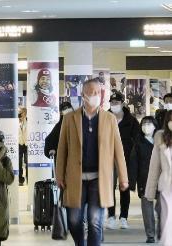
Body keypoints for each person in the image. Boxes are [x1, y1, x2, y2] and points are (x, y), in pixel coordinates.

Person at [56, 78, 129, 246]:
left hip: (99, 178)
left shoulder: (109, 119)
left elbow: (118, 150)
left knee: (95, 221)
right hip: (75, 178)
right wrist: (59, 175)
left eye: (97, 92)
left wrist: (123, 177)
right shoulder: (70, 119)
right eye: (91, 92)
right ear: (83, 95)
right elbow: (62, 150)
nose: (95, 95)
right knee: (74, 220)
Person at [106, 91, 139, 230]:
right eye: (112, 103)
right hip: (108, 158)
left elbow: (137, 139)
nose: (114, 105)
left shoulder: (131, 120)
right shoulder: (104, 118)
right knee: (108, 187)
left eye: (117, 103)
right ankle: (111, 216)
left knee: (124, 186)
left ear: (122, 103)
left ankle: (124, 217)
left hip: (125, 158)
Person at [129, 116, 160, 243]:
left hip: (162, 179)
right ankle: (151, 234)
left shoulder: (162, 141)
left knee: (163, 208)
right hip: (144, 180)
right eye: (144, 123)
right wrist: (132, 182)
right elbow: (133, 163)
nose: (146, 126)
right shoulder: (138, 143)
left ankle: (163, 231)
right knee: (147, 210)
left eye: (149, 123)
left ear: (155, 125)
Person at [145, 110, 172, 245]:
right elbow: (154, 167)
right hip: (166, 188)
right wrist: (150, 192)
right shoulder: (160, 138)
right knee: (166, 223)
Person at [18, 108, 28, 185]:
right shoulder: (16, 121)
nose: (20, 114)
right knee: (19, 162)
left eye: (21, 112)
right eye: (19, 112)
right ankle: (20, 179)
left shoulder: (28, 121)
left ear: (25, 113)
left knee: (27, 162)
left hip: (27, 144)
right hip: (19, 144)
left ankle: (28, 177)